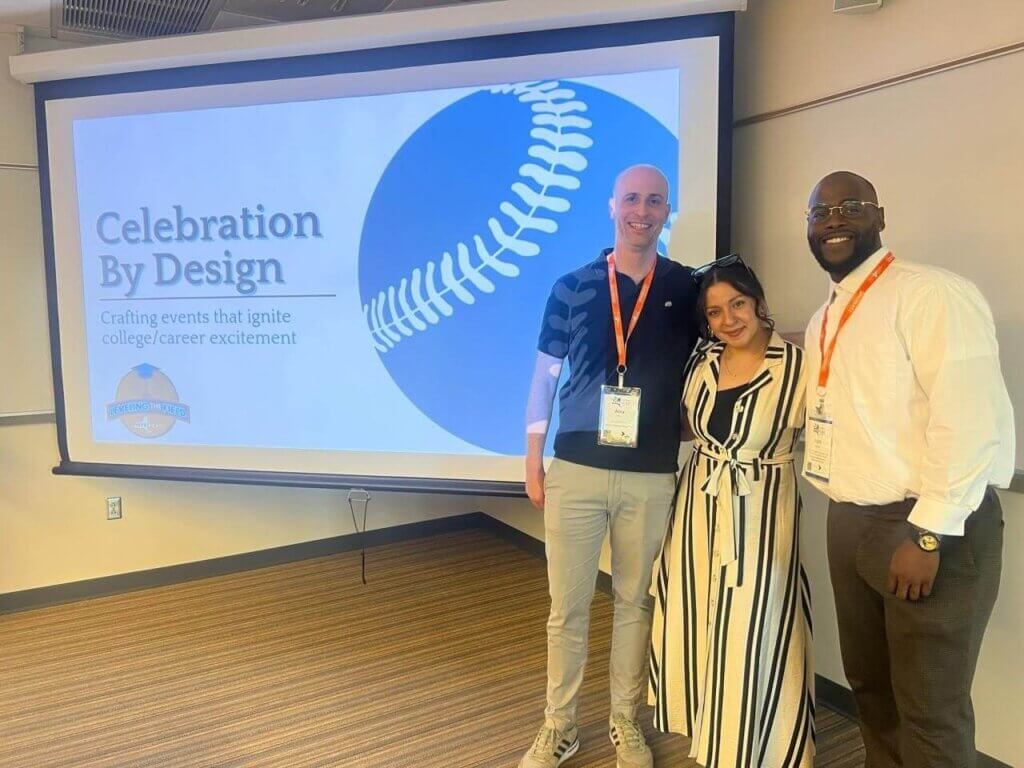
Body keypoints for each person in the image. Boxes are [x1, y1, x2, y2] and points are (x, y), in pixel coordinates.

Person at [802, 171, 1015, 768]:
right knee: (872, 691)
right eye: (820, 212)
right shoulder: (826, 319)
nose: (834, 220)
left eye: (850, 207)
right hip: (850, 522)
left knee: (930, 711)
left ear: (880, 216)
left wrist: (929, 531)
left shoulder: (931, 294)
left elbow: (969, 420)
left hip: (926, 527)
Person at [519, 165, 699, 768]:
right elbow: (544, 375)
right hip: (575, 467)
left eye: (654, 201)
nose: (641, 211)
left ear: (666, 210)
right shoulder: (572, 286)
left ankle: (625, 719)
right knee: (566, 608)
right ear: (611, 207)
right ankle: (559, 725)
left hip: (651, 472)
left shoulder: (688, 289)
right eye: (631, 200)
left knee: (634, 601)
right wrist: (532, 458)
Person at [648, 256, 815, 768]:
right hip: (697, 505)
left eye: (737, 304)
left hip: (764, 509)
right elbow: (685, 426)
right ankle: (712, 738)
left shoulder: (798, 366)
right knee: (699, 621)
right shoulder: (703, 362)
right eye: (715, 312)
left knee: (758, 626)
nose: (729, 319)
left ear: (759, 303)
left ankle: (768, 747)